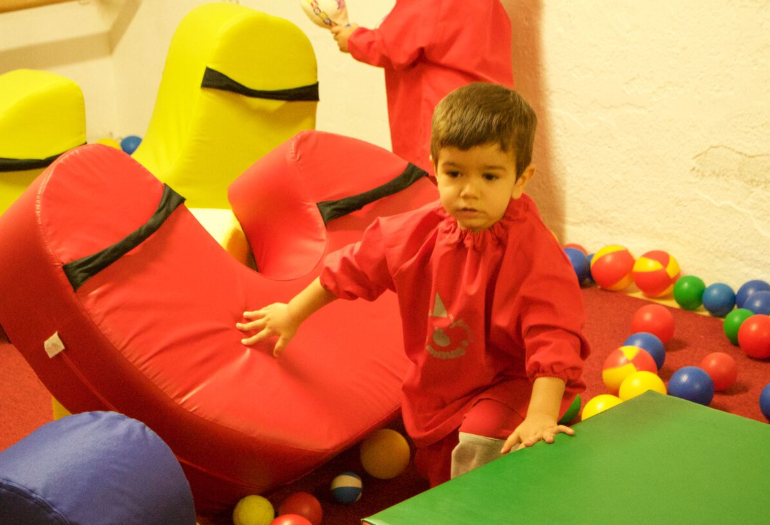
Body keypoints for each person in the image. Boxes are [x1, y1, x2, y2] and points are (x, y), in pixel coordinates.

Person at [237, 83, 589, 486]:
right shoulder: (419, 231)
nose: (469, 191)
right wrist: (291, 313)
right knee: (436, 468)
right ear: (434, 168)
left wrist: (541, 413)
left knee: (482, 439)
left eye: (490, 176)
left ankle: (512, 470)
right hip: (446, 385)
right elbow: (352, 267)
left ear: (520, 180)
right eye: (454, 173)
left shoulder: (533, 253)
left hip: (517, 381)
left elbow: (553, 334)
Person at [330, 0, 514, 177]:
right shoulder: (492, 6)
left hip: (438, 113)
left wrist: (354, 39)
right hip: (487, 115)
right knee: (476, 183)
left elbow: (394, 45)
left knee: (435, 184)